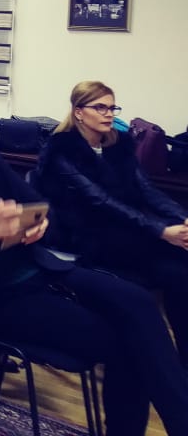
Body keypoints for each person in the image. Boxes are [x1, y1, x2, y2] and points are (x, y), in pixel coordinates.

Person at [0, 103, 188, 436]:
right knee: (125, 344)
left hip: (40, 269)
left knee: (139, 302)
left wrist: (40, 225)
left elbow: (42, 208)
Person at [38, 80, 188, 366]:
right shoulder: (62, 150)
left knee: (181, 267)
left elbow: (147, 190)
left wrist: (182, 218)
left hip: (125, 230)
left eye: (112, 108)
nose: (108, 114)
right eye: (100, 108)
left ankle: (181, 364)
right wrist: (160, 230)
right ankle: (164, 364)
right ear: (79, 112)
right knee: (176, 268)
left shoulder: (118, 146)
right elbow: (99, 200)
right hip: (85, 236)